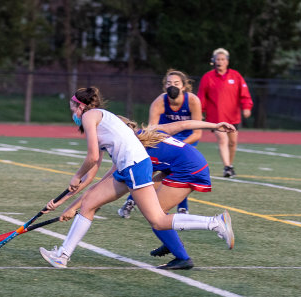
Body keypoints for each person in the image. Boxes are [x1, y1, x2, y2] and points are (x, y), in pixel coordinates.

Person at [38, 87, 235, 270]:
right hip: (131, 167)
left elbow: (92, 158)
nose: (73, 114)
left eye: (72, 108)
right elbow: (93, 177)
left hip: (140, 167)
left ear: (80, 106)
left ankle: (215, 223)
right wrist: (62, 204)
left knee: (158, 220)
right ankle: (62, 256)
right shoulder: (108, 135)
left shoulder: (90, 115)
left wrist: (76, 176)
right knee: (89, 203)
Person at [118, 69, 202, 218]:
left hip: (186, 141)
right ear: (164, 86)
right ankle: (131, 202)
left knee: (180, 171)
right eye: (169, 83)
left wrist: (179, 146)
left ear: (184, 86)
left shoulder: (192, 101)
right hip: (163, 139)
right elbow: (152, 130)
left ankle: (182, 208)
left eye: (176, 83)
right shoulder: (159, 102)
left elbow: (197, 133)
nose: (172, 86)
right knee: (148, 169)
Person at [198, 48, 253, 178]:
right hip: (215, 118)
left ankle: (230, 165)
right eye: (217, 59)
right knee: (222, 139)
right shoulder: (207, 77)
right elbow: (201, 96)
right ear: (213, 61)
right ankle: (227, 167)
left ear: (227, 62)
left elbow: (244, 94)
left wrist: (247, 107)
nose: (220, 62)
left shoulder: (236, 76)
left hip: (233, 117)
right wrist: (200, 111)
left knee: (232, 143)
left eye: (222, 59)